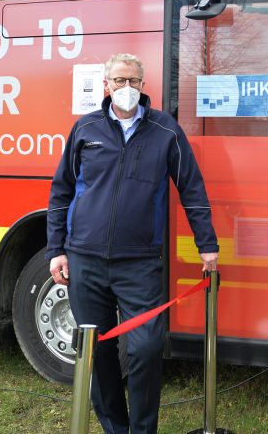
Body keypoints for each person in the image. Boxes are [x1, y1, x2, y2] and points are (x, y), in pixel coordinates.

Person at [46, 53, 219, 434]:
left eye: (135, 81)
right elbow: (62, 190)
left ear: (144, 86)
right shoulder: (85, 129)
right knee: (97, 352)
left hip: (139, 262)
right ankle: (114, 428)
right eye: (120, 80)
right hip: (85, 259)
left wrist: (206, 243)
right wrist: (56, 249)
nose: (128, 88)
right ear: (106, 85)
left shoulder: (165, 131)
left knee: (145, 348)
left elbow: (191, 187)